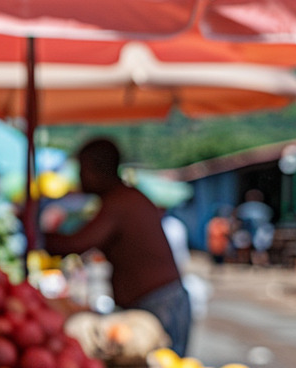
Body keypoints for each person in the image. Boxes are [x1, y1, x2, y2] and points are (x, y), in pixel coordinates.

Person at [44, 138, 192, 356]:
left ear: (95, 170)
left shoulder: (120, 202)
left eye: (82, 170)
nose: (79, 178)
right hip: (155, 302)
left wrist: (38, 235)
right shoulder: (123, 198)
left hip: (158, 304)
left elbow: (77, 244)